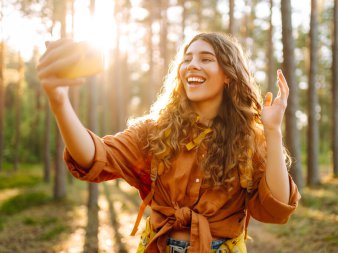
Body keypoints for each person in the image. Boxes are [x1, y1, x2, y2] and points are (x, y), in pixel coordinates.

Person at [37, 32, 301, 253]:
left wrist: (273, 130)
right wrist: (60, 102)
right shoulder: (154, 130)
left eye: (206, 58)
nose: (192, 65)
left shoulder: (248, 139)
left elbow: (276, 208)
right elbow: (94, 156)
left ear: (228, 75)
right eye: (187, 59)